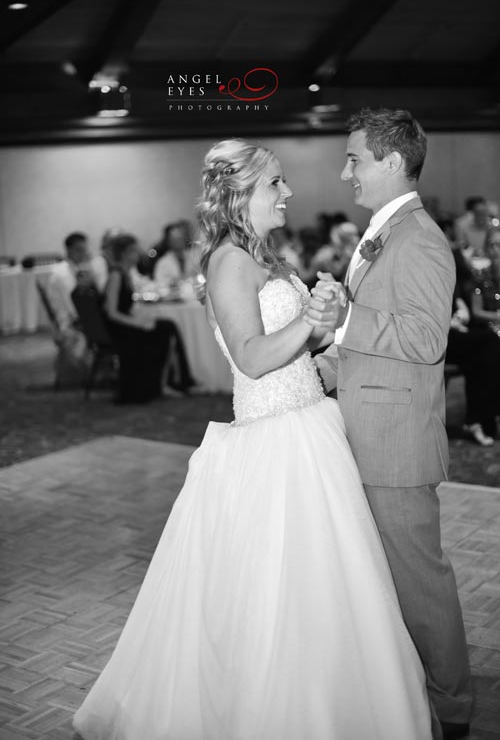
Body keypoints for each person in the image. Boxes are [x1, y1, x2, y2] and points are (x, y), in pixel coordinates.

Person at [73, 138, 435, 740]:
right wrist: (311, 322)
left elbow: (303, 347)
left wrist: (324, 316)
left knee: (328, 594)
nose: (288, 192)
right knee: (276, 596)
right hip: (272, 442)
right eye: (276, 183)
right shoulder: (229, 262)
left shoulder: (266, 257)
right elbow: (250, 357)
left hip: (311, 427)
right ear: (240, 193)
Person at [311, 108, 473, 740]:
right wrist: (317, 368)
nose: (344, 171)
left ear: (392, 161)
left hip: (397, 445)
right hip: (364, 431)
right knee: (387, 581)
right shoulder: (381, 232)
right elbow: (371, 339)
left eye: (354, 158)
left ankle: (455, 709)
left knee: (419, 584)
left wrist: (346, 320)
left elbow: (427, 339)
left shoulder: (422, 239)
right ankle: (411, 694)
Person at [102, 232, 193, 404]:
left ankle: (168, 381)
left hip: (124, 324)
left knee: (167, 326)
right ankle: (164, 383)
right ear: (125, 254)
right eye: (134, 251)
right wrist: (138, 323)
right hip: (118, 329)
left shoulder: (126, 273)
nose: (139, 254)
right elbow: (111, 312)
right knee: (164, 330)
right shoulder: (116, 275)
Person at [440, 219, 500, 446]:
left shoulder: (454, 265)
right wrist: (450, 321)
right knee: (489, 344)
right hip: (436, 335)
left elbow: (460, 301)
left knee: (481, 359)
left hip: (456, 332)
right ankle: (484, 418)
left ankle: (479, 420)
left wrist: (459, 313)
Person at [46, 232, 95, 375]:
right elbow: (74, 307)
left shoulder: (72, 269)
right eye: (79, 249)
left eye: (85, 249)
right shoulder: (62, 274)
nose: (84, 253)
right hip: (69, 323)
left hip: (74, 318)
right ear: (68, 250)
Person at [153, 221, 200, 288]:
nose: (178, 241)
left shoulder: (195, 256)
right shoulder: (163, 262)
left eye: (180, 238)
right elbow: (159, 284)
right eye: (175, 239)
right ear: (168, 241)